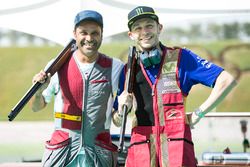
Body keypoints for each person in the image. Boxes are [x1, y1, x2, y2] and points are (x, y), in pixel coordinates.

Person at [113, 6, 237, 167]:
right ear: (131, 35)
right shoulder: (127, 70)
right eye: (138, 28)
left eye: (149, 25)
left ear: (159, 28)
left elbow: (226, 80)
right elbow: (116, 121)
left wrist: (198, 114)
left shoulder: (182, 58)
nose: (144, 32)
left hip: (177, 152)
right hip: (141, 155)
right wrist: (122, 112)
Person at [30, 10, 124, 167]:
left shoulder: (116, 67)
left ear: (102, 34)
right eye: (83, 33)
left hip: (99, 154)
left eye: (95, 33)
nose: (89, 38)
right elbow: (35, 107)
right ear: (74, 34)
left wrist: (121, 112)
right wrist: (38, 91)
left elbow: (118, 119)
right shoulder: (56, 65)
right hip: (61, 153)